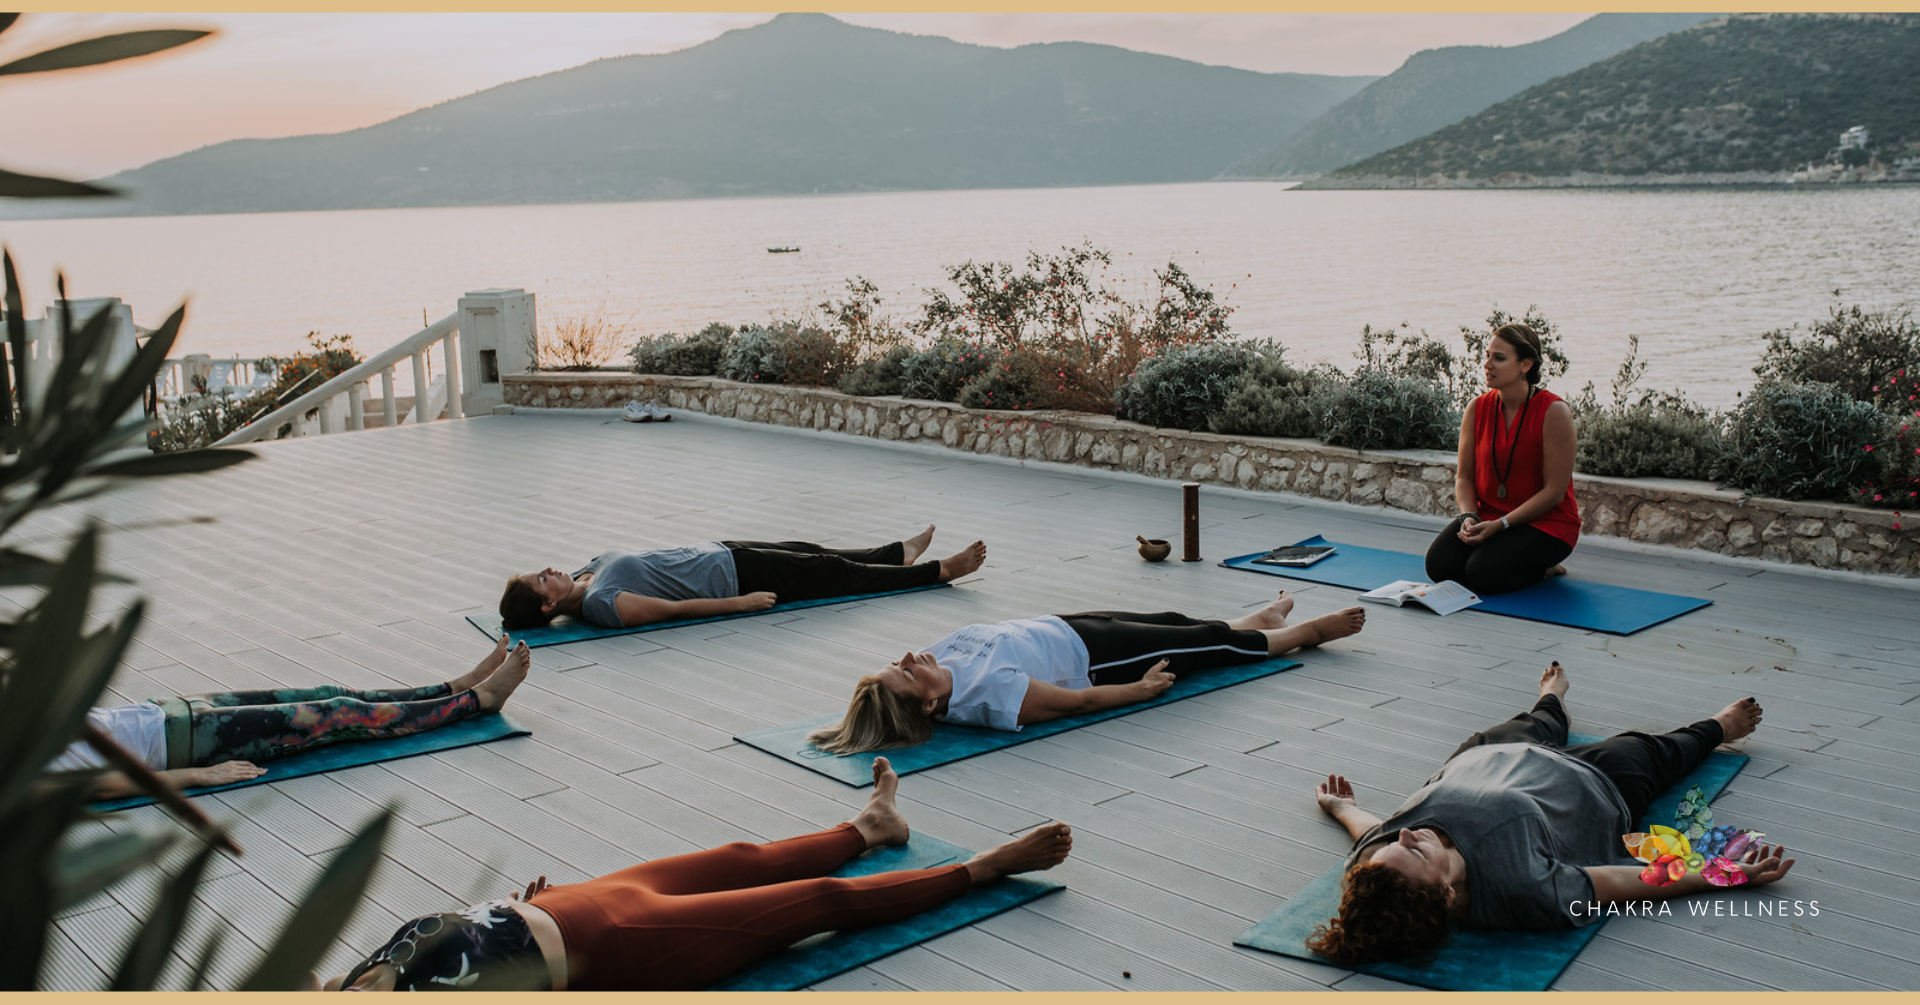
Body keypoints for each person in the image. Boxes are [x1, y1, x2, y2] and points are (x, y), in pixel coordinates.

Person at [318, 758, 1073, 991]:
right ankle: (980, 868)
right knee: (815, 902)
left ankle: (870, 826)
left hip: (569, 902)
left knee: (745, 857)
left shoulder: (355, 978)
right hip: (622, 946)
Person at [1306, 662, 1794, 965]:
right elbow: (1624, 883)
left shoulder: (1375, 863)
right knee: (1652, 750)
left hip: (1488, 756)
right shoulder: (1522, 889)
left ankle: (1552, 699)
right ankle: (1718, 726)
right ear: (1445, 890)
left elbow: (1373, 832)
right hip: (1596, 785)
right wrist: (1723, 875)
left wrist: (1342, 807)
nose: (1407, 834)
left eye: (1396, 843)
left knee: (1537, 722)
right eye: (1413, 850)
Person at [810, 591, 1368, 754]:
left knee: (1176, 618)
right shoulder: (991, 698)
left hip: (1064, 623)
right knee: (1210, 648)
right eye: (905, 674)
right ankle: (1303, 635)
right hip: (1096, 660)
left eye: (895, 662)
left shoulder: (932, 661)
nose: (908, 660)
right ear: (928, 706)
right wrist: (1140, 690)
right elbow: (1074, 703)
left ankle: (1253, 619)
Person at [55, 636, 531, 801]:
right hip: (194, 743)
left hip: (174, 710)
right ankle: (478, 701)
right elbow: (100, 787)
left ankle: (452, 687)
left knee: (331, 695)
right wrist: (199, 775)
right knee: (342, 715)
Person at [499, 525, 986, 631]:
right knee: (833, 575)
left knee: (812, 551)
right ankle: (936, 571)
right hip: (734, 578)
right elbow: (673, 610)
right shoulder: (602, 605)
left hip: (723, 551)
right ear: (547, 607)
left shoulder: (587, 576)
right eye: (541, 581)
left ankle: (896, 553)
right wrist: (741, 603)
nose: (547, 571)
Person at [1425, 322, 1581, 595]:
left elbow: (1554, 493)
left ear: (1525, 365)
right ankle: (1503, 554)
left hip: (1546, 524)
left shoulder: (1554, 412)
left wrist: (1501, 525)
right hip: (1489, 517)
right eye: (1487, 355)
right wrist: (1468, 517)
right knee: (1439, 567)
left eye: (1499, 358)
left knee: (1481, 575)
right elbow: (1464, 478)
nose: (1487, 364)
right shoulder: (1477, 408)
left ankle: (1546, 567)